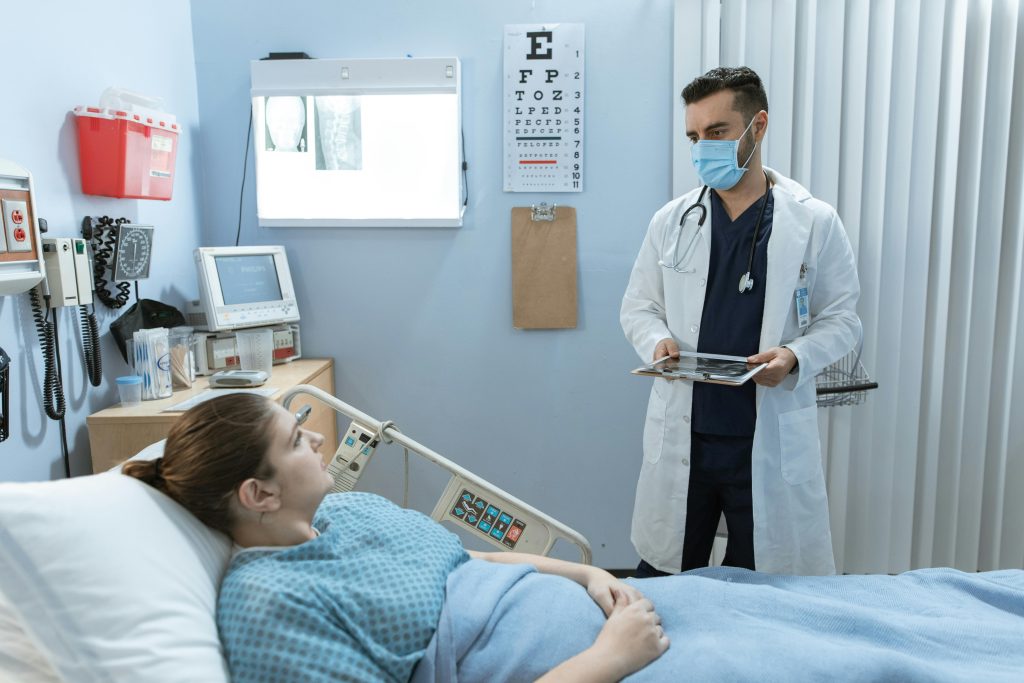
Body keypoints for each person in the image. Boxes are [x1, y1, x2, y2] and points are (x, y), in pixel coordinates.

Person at [123, 394, 668, 683]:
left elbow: (465, 557)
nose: (317, 439)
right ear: (260, 494)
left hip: (609, 615)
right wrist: (610, 658)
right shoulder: (269, 605)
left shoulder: (345, 508)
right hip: (599, 657)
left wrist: (587, 573)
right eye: (295, 440)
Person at [620, 66, 862, 577]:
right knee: (665, 576)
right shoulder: (672, 220)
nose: (702, 148)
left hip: (764, 434)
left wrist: (795, 355)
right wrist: (658, 341)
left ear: (759, 126)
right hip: (688, 432)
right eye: (694, 136)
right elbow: (639, 307)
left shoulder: (813, 221)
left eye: (717, 132)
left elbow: (843, 319)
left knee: (764, 585)